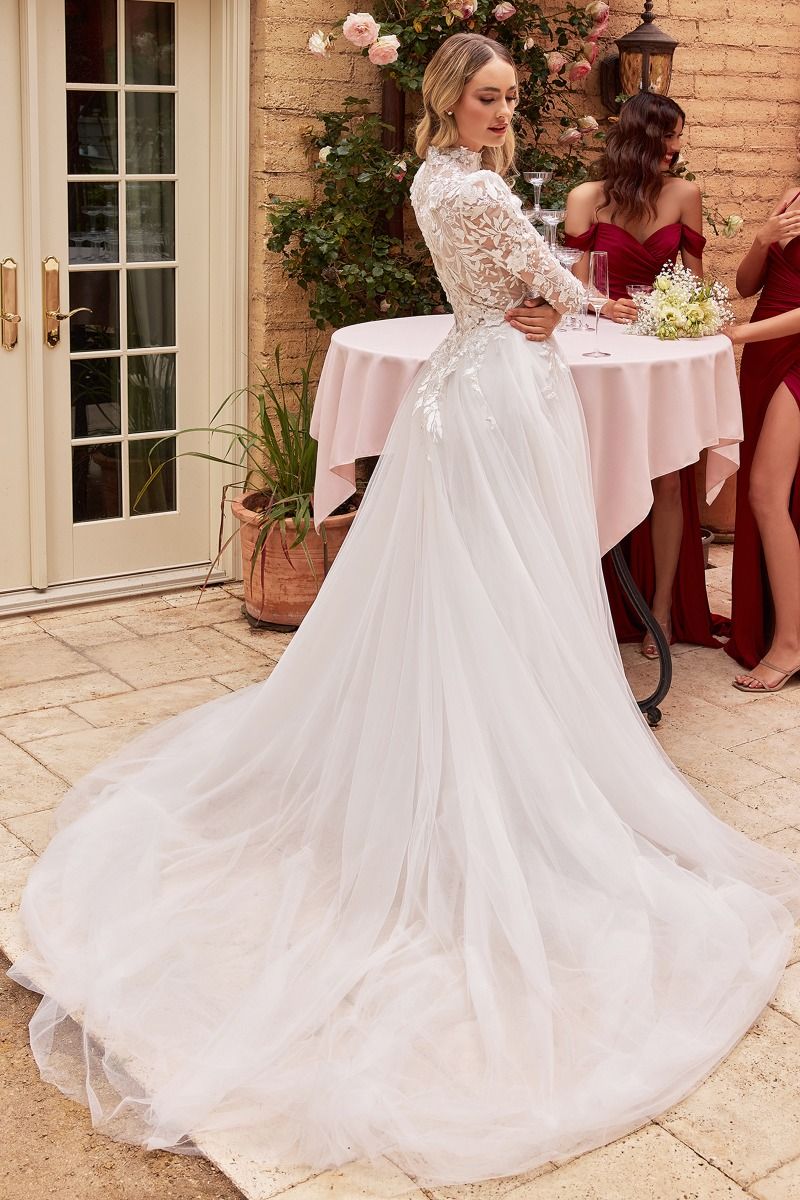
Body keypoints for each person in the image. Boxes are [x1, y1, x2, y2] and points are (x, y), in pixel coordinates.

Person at [9, 34, 800, 1188]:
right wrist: (595, 306)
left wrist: (546, 297)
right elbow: (554, 286)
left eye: (510, 98)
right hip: (496, 397)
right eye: (485, 98)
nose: (502, 112)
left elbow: (518, 281)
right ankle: (491, 788)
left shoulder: (435, 177)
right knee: (499, 589)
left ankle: (471, 757)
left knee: (469, 589)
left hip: (466, 387)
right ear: (448, 100)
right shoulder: (471, 189)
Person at [557, 93, 720, 659]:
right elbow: (572, 288)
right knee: (589, 473)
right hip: (599, 356)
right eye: (669, 136)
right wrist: (603, 304)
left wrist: (680, 310)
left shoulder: (685, 195)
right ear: (642, 139)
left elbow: (696, 284)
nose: (677, 147)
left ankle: (663, 608)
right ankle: (586, 607)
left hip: (658, 354)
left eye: (678, 136)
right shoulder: (586, 199)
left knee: (669, 479)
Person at [723, 187, 800, 691]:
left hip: (794, 356)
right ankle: (778, 627)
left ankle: (790, 644)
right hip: (765, 355)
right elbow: (746, 284)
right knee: (770, 496)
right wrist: (762, 238)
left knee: (766, 494)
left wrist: (735, 335)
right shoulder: (792, 196)